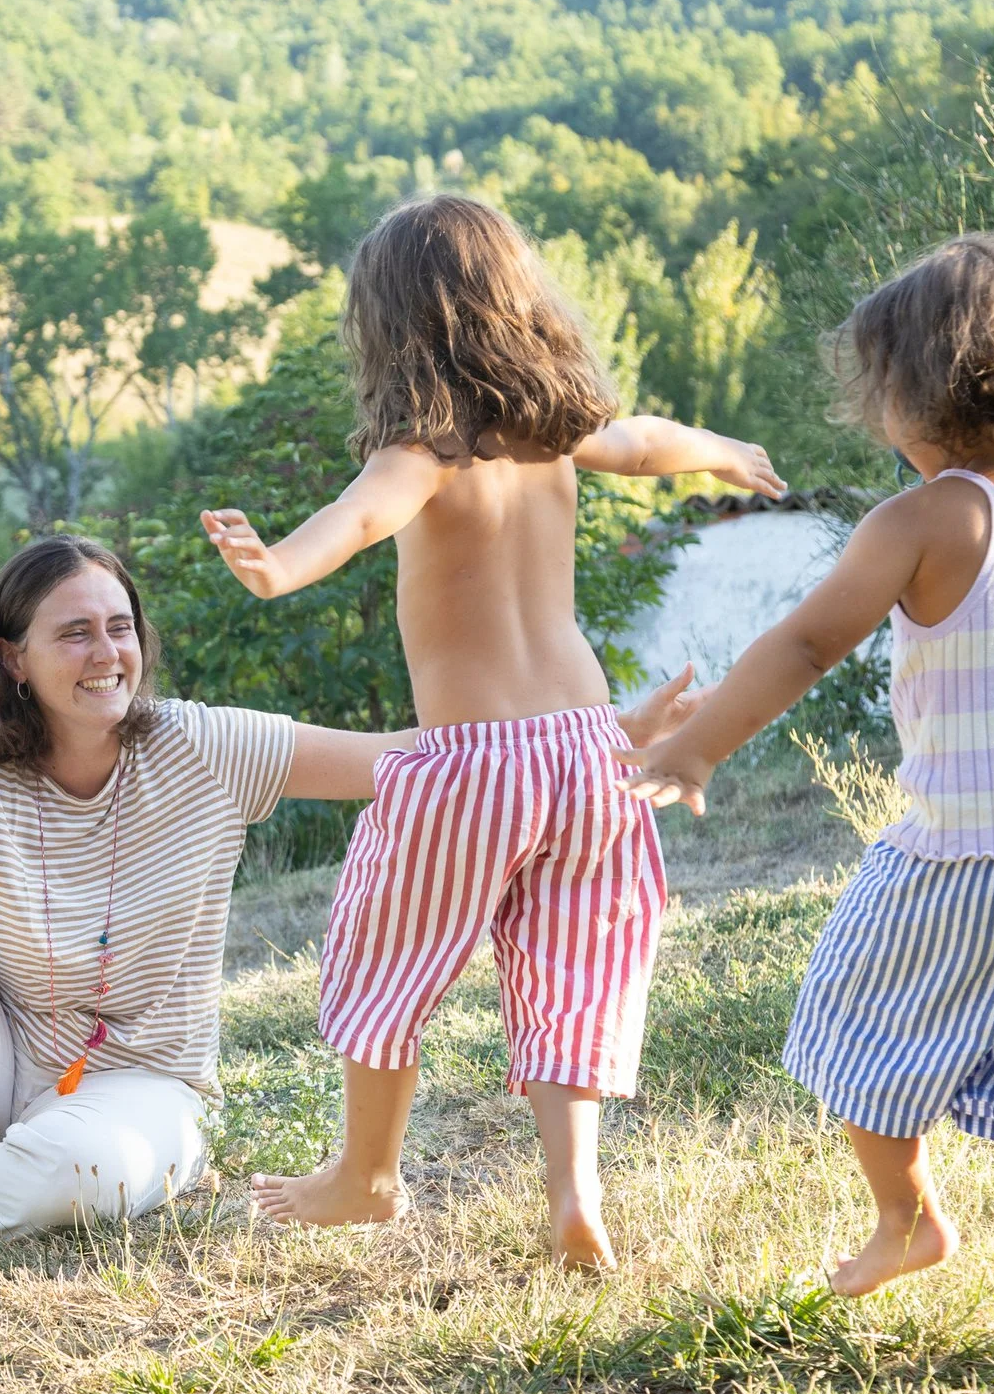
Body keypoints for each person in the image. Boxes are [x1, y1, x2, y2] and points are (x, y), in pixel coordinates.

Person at [0, 534, 708, 1283]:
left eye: (120, 625)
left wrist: (608, 734)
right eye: (74, 631)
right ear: (13, 658)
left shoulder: (200, 744)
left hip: (143, 1085)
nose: (109, 651)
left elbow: (410, 755)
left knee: (85, 1179)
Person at [614, 234, 994, 1356]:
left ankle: (906, 1219)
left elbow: (811, 639)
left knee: (853, 1016)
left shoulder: (921, 519)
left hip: (972, 847)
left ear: (914, 392)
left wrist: (695, 747)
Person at [200, 193, 781, 1264]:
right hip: (584, 750)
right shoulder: (557, 435)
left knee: (387, 958)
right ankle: (574, 1191)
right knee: (574, 968)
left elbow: (360, 516)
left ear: (390, 327)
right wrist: (717, 449)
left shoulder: (426, 451)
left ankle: (367, 1176)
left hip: (468, 765)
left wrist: (277, 564)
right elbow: (648, 440)